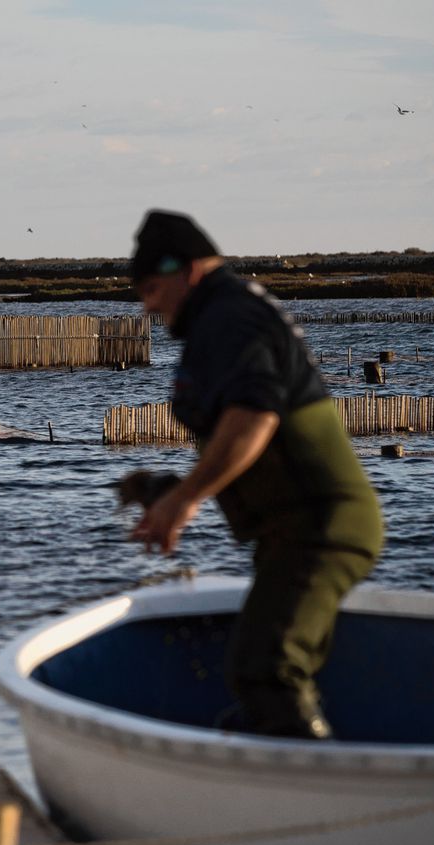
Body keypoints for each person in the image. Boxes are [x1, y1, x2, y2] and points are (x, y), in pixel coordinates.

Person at [125, 209, 383, 739]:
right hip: (293, 533)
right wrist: (167, 491)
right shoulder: (225, 314)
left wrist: (185, 499)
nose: (147, 305)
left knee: (266, 672)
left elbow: (255, 415)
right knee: (258, 671)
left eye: (151, 288)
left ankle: (316, 795)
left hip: (322, 529)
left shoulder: (227, 316)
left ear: (187, 271)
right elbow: (250, 448)